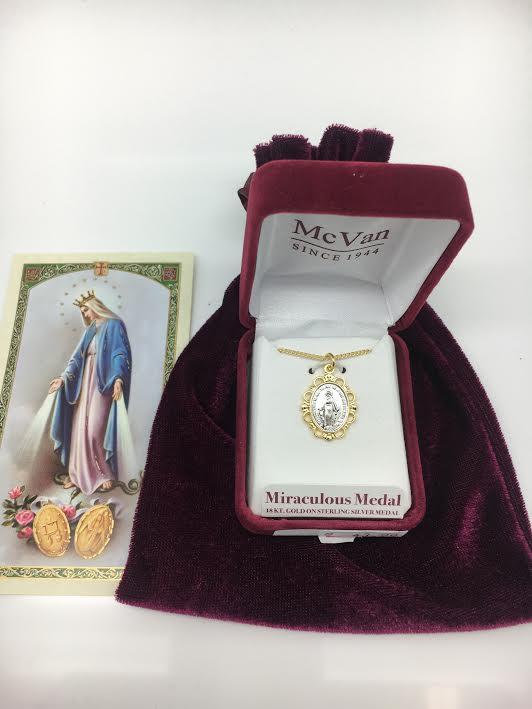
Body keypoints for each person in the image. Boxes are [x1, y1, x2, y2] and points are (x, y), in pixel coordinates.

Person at [49, 291, 132, 494]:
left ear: (95, 306)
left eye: (86, 309)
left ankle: (104, 473)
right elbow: (76, 359)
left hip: (103, 382)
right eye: (82, 311)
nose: (85, 314)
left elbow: (120, 353)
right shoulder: (90, 330)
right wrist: (63, 378)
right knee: (80, 428)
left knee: (95, 429)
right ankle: (77, 474)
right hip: (85, 382)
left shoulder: (114, 325)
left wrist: (118, 378)